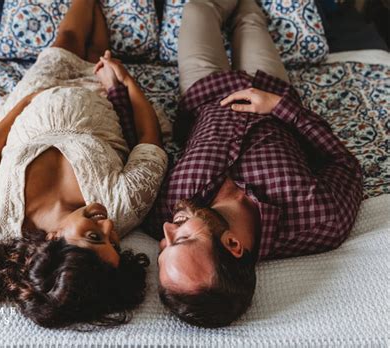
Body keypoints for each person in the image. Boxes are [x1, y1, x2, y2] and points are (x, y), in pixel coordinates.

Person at [0, 0, 168, 328]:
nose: (109, 227)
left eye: (95, 237)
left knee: (66, 38)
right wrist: (125, 81)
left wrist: (21, 103)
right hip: (97, 94)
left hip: (33, 99)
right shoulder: (123, 206)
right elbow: (150, 140)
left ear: (52, 241)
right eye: (114, 243)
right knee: (99, 51)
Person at [144, 0, 363, 328]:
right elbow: (346, 165)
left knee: (197, 8)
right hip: (270, 87)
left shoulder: (163, 209)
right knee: (249, 20)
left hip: (204, 92)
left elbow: (146, 150)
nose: (166, 230)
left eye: (163, 247)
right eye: (183, 239)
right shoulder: (320, 219)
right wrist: (280, 107)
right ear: (232, 244)